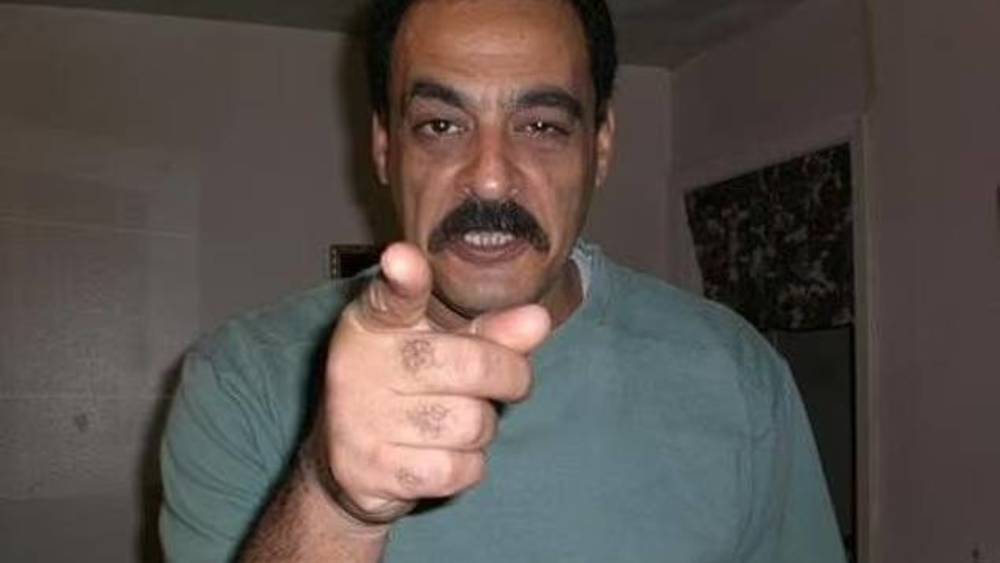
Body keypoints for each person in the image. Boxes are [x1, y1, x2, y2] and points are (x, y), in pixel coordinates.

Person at [159, 0, 847, 561]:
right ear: (385, 147)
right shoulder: (242, 382)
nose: (490, 177)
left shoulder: (737, 375)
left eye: (541, 125)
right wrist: (332, 499)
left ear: (601, 145)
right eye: (441, 125)